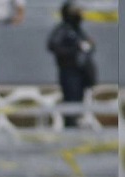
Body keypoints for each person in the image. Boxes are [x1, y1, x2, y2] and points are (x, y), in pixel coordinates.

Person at [47, 0, 97, 128]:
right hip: (69, 72)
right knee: (71, 102)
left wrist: (87, 46)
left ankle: (75, 124)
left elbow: (87, 45)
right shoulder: (63, 29)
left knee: (79, 103)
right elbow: (53, 45)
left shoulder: (77, 30)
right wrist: (74, 49)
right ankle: (70, 127)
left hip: (81, 73)